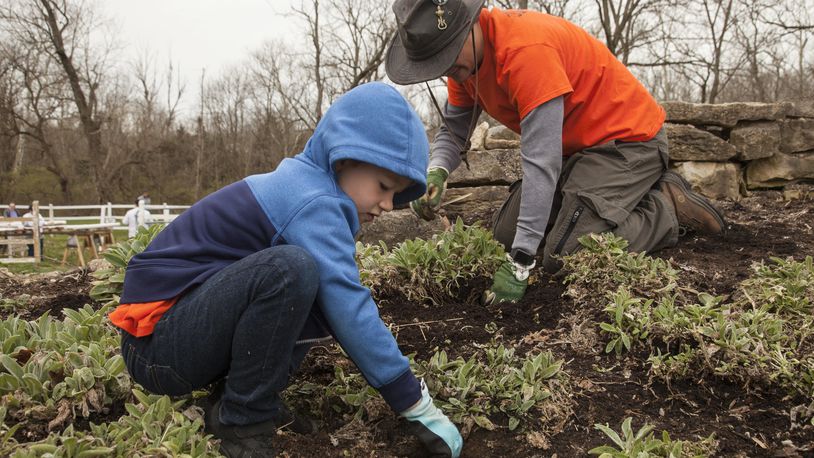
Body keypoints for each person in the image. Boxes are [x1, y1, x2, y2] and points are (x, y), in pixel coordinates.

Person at [107, 83, 464, 458]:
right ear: (344, 159)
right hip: (156, 345)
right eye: (384, 186)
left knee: (309, 285)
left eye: (397, 194)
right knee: (291, 270)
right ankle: (244, 423)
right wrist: (413, 402)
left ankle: (235, 401)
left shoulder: (307, 185)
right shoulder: (312, 200)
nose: (389, 204)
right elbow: (351, 309)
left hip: (179, 336)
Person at [385, 0, 726, 304]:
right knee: (505, 236)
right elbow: (455, 128)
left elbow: (541, 163)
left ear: (470, 24)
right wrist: (438, 170)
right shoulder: (464, 61)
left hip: (626, 142)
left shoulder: (525, 52)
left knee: (564, 255)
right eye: (436, 64)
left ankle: (666, 208)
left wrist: (520, 264)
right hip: (575, 150)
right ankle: (606, 203)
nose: (446, 71)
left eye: (446, 58)